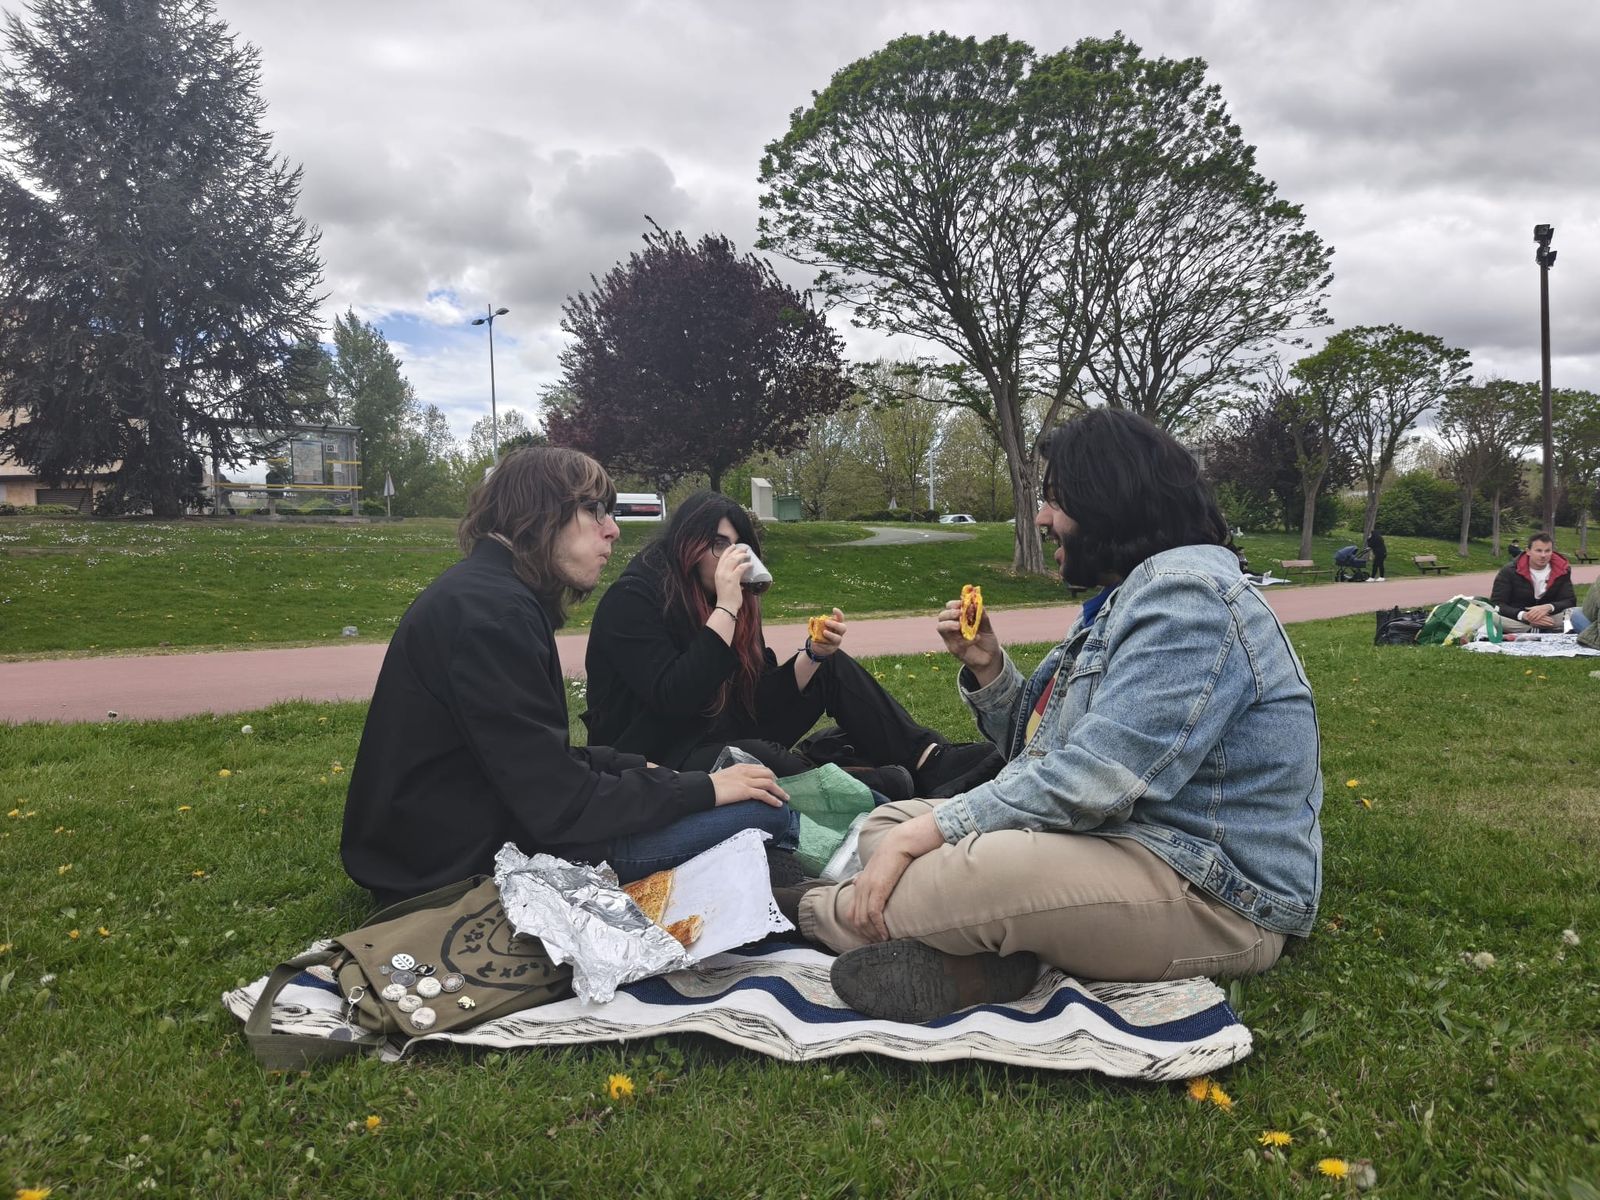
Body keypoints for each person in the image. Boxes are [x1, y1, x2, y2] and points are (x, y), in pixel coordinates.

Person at [784, 409, 1324, 1023]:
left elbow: (1095, 777)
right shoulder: (1123, 599)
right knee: (888, 822)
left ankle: (806, 909)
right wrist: (989, 669)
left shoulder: (1189, 600)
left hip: (1213, 895)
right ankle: (995, 962)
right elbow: (1042, 752)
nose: (1042, 518)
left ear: (1109, 502)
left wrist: (924, 840)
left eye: (1056, 501)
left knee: (962, 867)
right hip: (1116, 840)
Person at [341, 448, 796, 906]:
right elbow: (560, 803)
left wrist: (638, 767)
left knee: (746, 799)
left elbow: (533, 756)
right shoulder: (494, 616)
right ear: (540, 512)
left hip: (466, 831)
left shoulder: (487, 594)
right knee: (762, 813)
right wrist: (702, 787)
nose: (613, 529)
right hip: (459, 862)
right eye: (595, 510)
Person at [583, 490, 1000, 802]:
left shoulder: (731, 599)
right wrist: (726, 608)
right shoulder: (634, 600)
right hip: (661, 756)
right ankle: (876, 782)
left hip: (724, 727)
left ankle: (928, 759)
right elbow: (675, 698)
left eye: (738, 547)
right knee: (758, 758)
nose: (732, 559)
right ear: (685, 546)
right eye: (718, 544)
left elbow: (757, 694)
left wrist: (813, 655)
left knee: (828, 666)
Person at [1490, 532, 1577, 632]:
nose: (1543, 555)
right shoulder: (1509, 571)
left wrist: (1549, 607)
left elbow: (1570, 601)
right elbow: (1497, 603)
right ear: (1528, 551)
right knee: (1490, 617)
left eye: (1547, 551)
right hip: (1518, 619)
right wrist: (1524, 616)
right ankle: (1535, 630)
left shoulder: (1562, 569)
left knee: (1578, 613)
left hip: (1549, 618)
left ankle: (1538, 630)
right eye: (1538, 551)